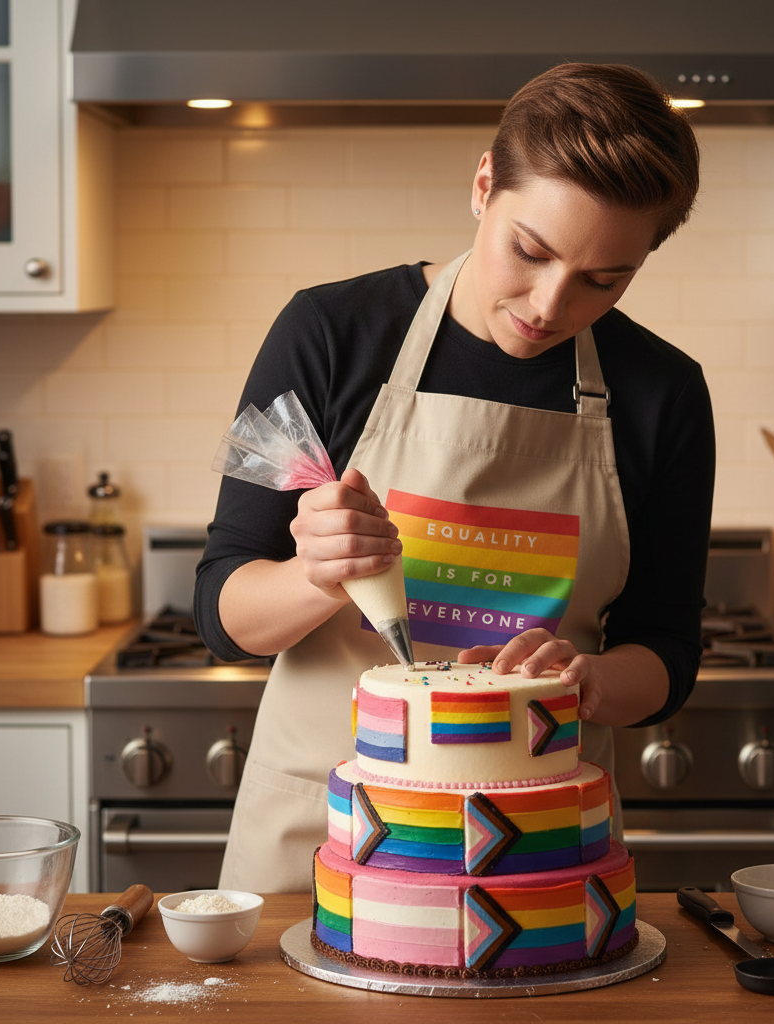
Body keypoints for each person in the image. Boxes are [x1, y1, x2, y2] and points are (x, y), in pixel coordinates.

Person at [196, 61, 715, 893]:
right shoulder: (329, 333)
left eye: (603, 280)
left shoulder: (663, 393)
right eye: (531, 251)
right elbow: (224, 614)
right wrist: (314, 575)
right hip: (327, 839)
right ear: (484, 186)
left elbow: (667, 653)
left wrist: (588, 683)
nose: (550, 304)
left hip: (533, 857)